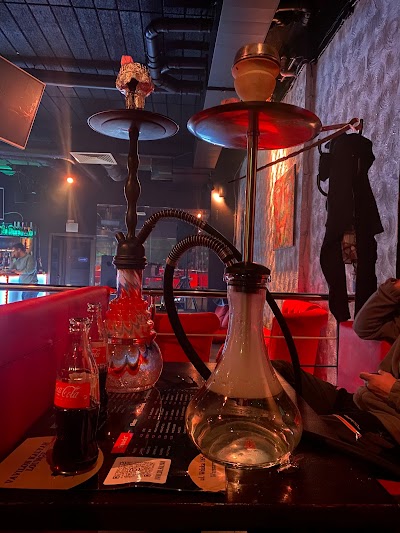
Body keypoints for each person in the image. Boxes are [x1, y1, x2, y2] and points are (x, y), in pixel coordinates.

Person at [272, 277, 400, 455]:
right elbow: (364, 326)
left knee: (297, 437)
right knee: (277, 371)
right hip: (359, 401)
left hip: (387, 424)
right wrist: (395, 288)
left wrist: (392, 390)